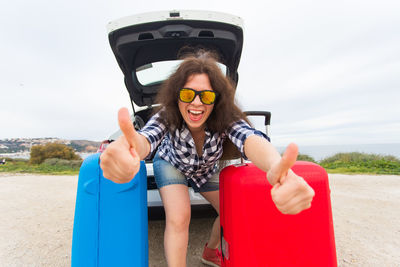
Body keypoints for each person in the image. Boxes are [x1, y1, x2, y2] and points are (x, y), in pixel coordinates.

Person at [100, 50, 315, 267]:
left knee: (230, 212)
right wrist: (131, 148)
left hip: (204, 170)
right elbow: (146, 138)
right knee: (179, 217)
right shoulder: (167, 113)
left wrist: (275, 165)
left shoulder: (225, 117)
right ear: (177, 96)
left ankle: (210, 252)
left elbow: (249, 138)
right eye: (187, 94)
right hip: (171, 164)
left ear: (216, 100)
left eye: (206, 96)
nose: (196, 103)